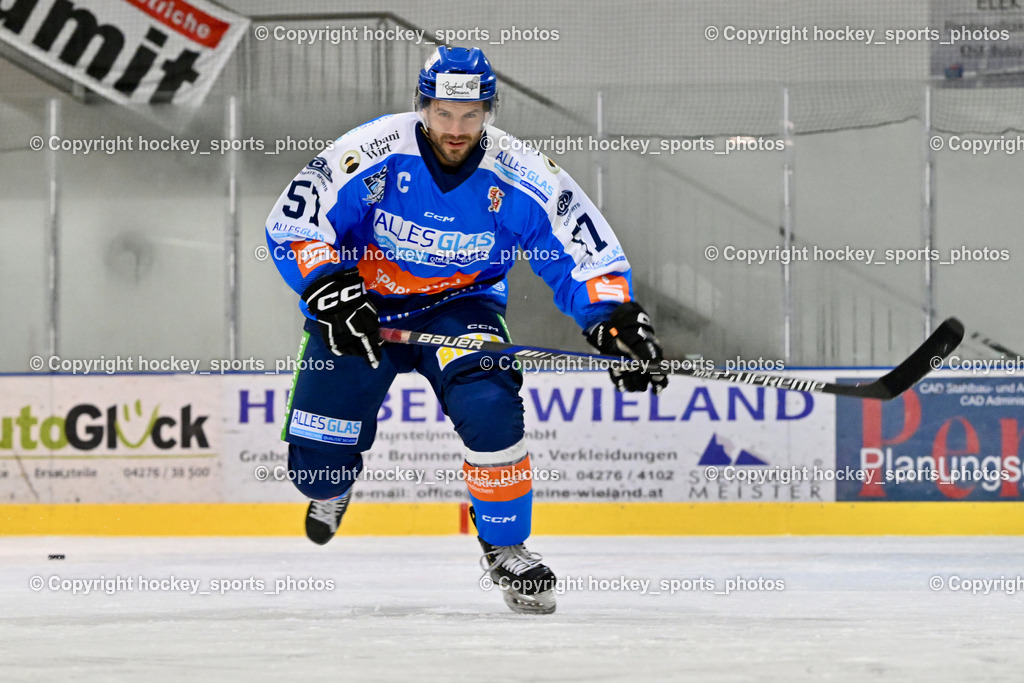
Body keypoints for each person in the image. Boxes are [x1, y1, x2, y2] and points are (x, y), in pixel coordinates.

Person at [264, 46, 668, 614]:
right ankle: (333, 486)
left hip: (461, 308)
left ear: (489, 112)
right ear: (422, 107)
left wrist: (615, 319)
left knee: (490, 403)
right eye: (444, 114)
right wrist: (327, 286)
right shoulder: (371, 150)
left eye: (471, 115)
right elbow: (295, 223)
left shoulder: (521, 172)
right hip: (362, 311)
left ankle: (506, 547)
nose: (456, 130)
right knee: (316, 472)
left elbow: (581, 251)